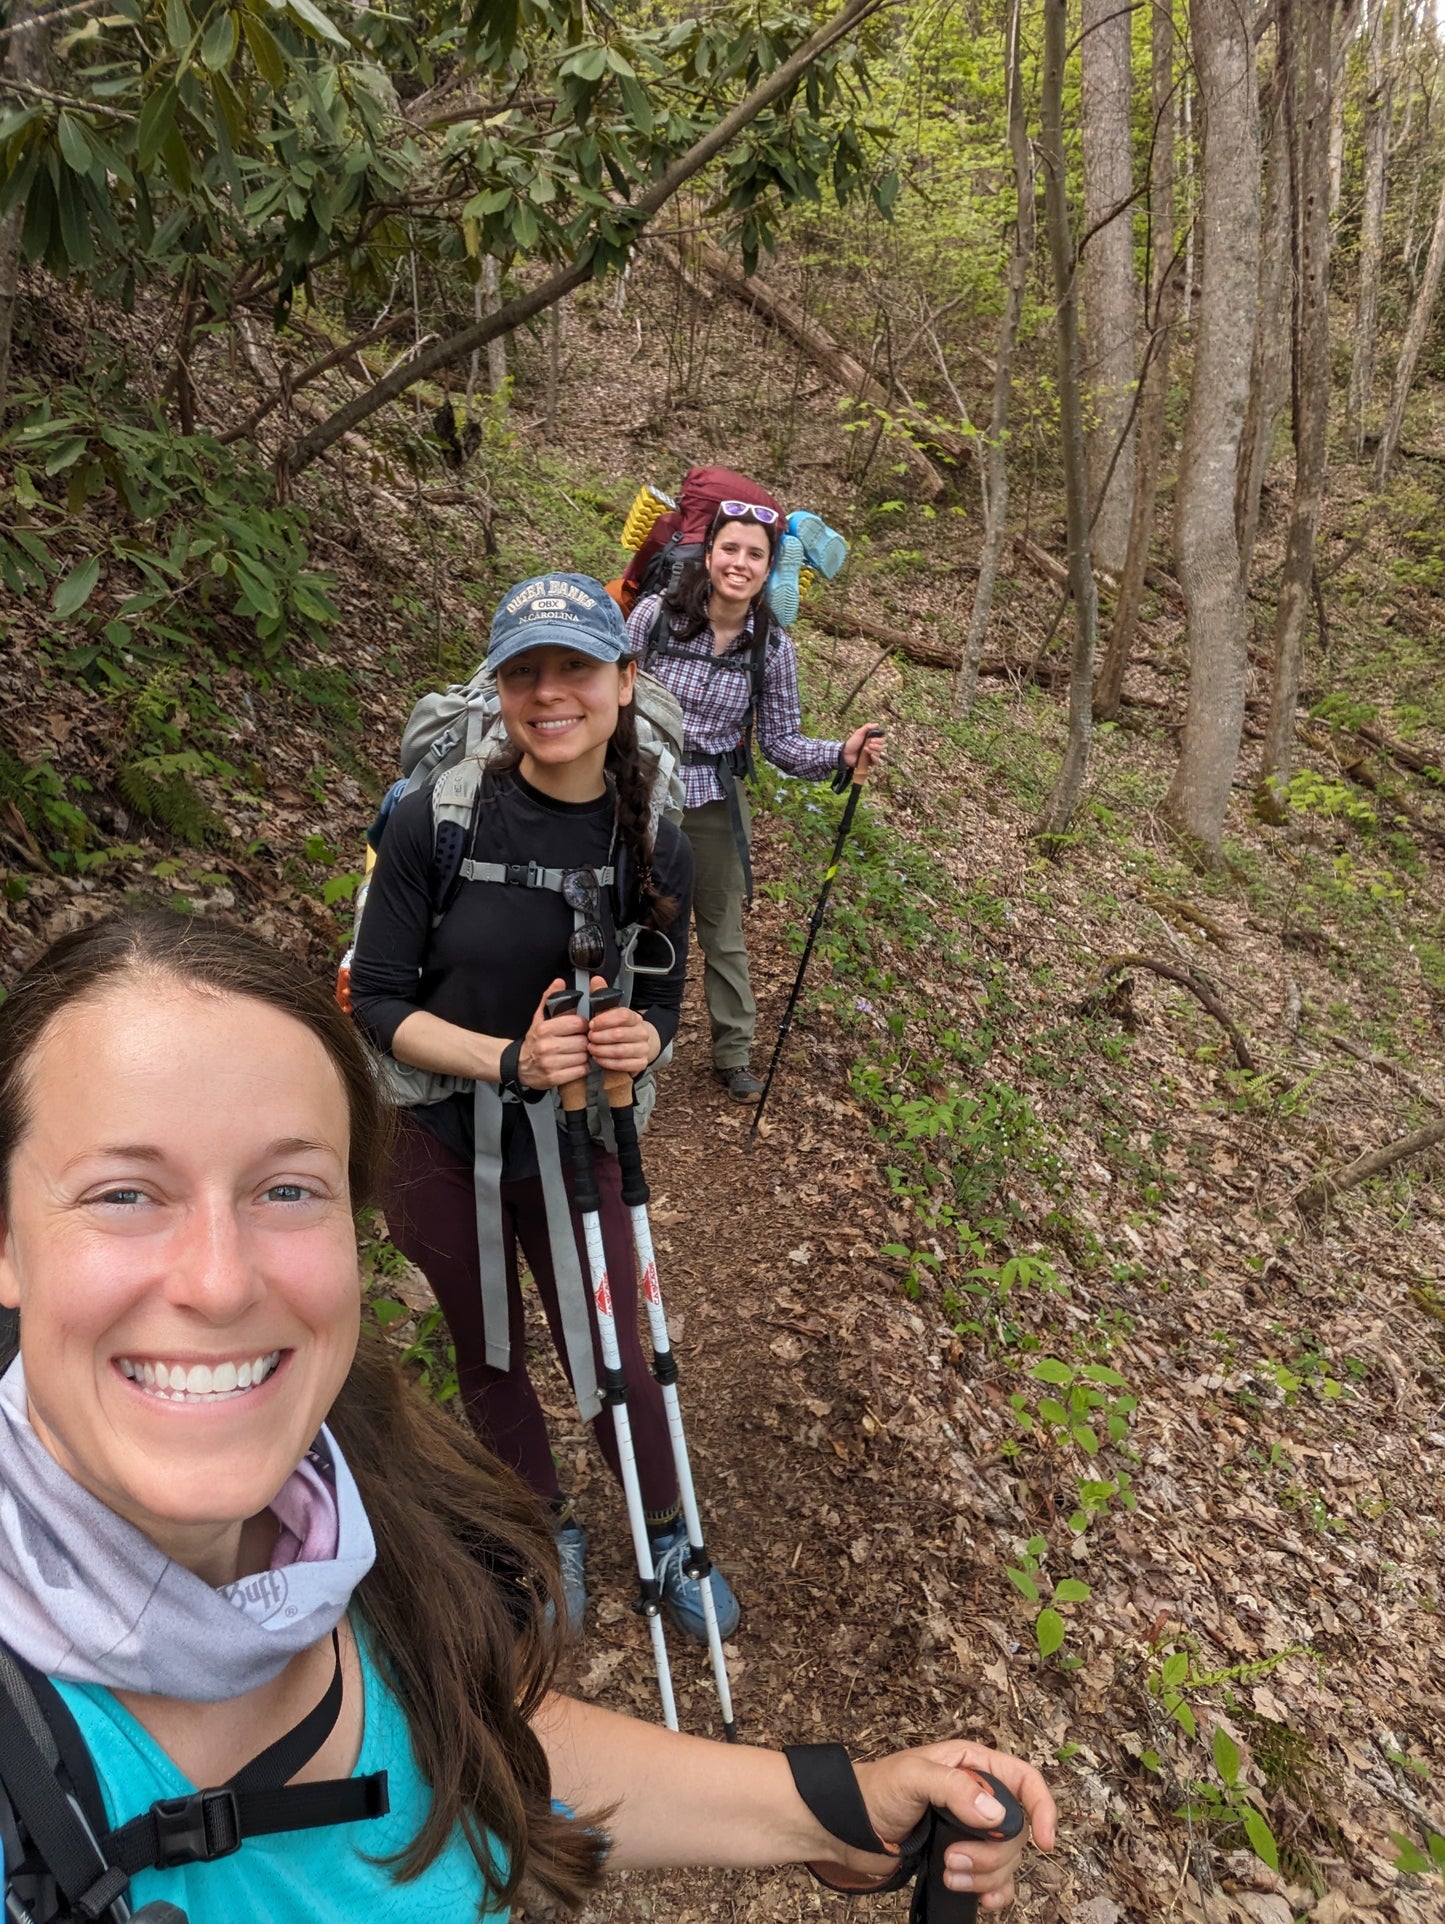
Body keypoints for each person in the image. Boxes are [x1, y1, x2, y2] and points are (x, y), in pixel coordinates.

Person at [0, 912, 1055, 1922]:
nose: (220, 1282)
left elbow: (472, 1738)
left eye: (287, 1189)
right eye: (124, 1195)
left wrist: (830, 1809)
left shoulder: (354, 1491)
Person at [347, 573, 738, 1644]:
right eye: (524, 671)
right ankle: (541, 1523)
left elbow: (659, 993)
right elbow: (377, 1000)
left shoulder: (652, 838)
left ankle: (668, 1530)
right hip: (439, 1141)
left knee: (613, 1345)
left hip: (580, 1143)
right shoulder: (435, 821)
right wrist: (508, 1057)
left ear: (623, 678)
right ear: (499, 690)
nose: (549, 692)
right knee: (491, 1351)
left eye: (574, 666)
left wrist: (641, 1037)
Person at [626, 501, 885, 1102]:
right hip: (638, 792)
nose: (740, 564)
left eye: (755, 555)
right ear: (709, 553)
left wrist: (839, 755)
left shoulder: (771, 646)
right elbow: (610, 697)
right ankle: (618, 1033)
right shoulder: (653, 618)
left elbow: (781, 742)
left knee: (722, 927)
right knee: (626, 913)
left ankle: (733, 1052)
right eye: (731, 549)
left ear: (770, 569)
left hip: (713, 797)